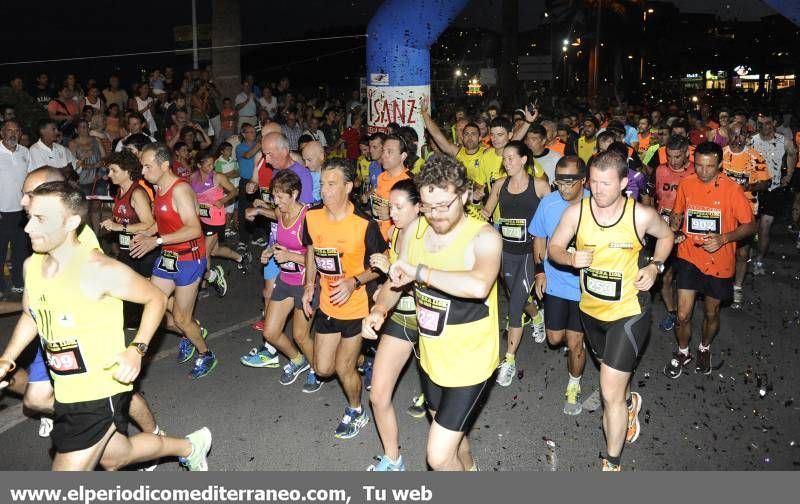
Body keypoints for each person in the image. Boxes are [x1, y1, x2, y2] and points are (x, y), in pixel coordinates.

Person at [0, 181, 212, 471]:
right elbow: (31, 314)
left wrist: (137, 349)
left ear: (72, 222)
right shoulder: (32, 267)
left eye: (40, 220)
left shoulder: (99, 270)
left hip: (99, 391)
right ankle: (190, 446)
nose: (27, 229)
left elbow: (156, 298)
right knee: (117, 456)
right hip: (65, 389)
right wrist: (7, 358)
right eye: (29, 218)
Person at [548, 150, 674, 471]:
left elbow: (667, 236)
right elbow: (554, 248)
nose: (599, 189)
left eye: (606, 183)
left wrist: (656, 267)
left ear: (622, 182)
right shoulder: (577, 213)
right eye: (594, 182)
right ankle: (629, 402)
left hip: (628, 313)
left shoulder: (640, 215)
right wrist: (568, 258)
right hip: (591, 312)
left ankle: (612, 462)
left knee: (608, 391)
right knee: (614, 379)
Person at [382, 153, 501, 471]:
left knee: (436, 455)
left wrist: (421, 271)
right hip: (432, 359)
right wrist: (378, 310)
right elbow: (397, 280)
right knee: (454, 438)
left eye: (443, 205)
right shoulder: (415, 231)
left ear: (463, 195)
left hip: (471, 364)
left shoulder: (484, 236)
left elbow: (478, 285)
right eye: (427, 205)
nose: (434, 214)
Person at [301, 158, 387, 439]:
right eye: (322, 184)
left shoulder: (364, 224)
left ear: (348, 187)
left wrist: (354, 281)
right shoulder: (312, 216)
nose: (324, 190)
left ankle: (356, 410)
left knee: (342, 367)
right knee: (323, 368)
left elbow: (380, 265)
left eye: (331, 184)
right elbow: (311, 249)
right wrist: (309, 285)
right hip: (327, 303)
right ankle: (364, 358)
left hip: (356, 305)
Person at [664, 142, 756, 378]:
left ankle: (704, 347)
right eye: (699, 166)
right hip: (689, 256)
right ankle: (683, 352)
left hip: (719, 261)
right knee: (683, 314)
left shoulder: (732, 190)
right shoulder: (686, 183)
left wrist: (724, 238)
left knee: (711, 313)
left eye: (710, 167)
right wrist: (672, 231)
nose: (704, 172)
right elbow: (677, 213)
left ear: (720, 165)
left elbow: (750, 226)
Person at [129, 143, 216, 379]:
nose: (143, 172)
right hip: (169, 257)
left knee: (180, 317)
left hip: (189, 260)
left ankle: (205, 353)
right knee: (152, 304)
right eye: (142, 167)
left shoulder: (180, 190)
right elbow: (166, 218)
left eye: (147, 166)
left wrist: (156, 241)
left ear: (165, 165)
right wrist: (150, 232)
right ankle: (190, 332)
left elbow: (193, 229)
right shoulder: (158, 188)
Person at [361, 179, 422, 471]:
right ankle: (393, 459)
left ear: (418, 207)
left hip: (430, 323)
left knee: (439, 409)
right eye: (390, 205)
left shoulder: (428, 238)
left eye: (400, 207)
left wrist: (392, 273)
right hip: (401, 318)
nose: (393, 212)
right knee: (378, 393)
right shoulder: (396, 231)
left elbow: (430, 290)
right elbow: (393, 283)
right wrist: (380, 305)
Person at [241, 170, 321, 391]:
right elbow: (278, 242)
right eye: (273, 197)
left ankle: (315, 370)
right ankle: (297, 360)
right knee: (270, 332)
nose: (276, 202)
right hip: (285, 280)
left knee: (300, 335)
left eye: (280, 197)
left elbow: (318, 258)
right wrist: (269, 252)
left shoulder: (308, 217)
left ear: (294, 194)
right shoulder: (279, 213)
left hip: (306, 283)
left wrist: (291, 257)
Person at [480, 141, 550, 385]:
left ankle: (508, 360)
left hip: (532, 252)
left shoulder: (540, 186)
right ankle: (537, 318)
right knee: (517, 298)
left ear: (523, 160)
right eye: (505, 158)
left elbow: (552, 220)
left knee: (514, 306)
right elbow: (486, 213)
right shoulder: (500, 185)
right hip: (506, 252)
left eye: (511, 158)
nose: (506, 162)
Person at [530, 155, 589, 415]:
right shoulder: (548, 203)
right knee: (555, 339)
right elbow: (539, 238)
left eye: (570, 183)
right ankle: (575, 340)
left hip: (584, 287)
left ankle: (573, 384)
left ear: (584, 180)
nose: (564, 189)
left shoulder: (596, 203)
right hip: (554, 282)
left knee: (575, 342)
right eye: (559, 182)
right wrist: (539, 271)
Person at [721, 123, 770, 307]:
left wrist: (747, 187)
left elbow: (765, 183)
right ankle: (720, 284)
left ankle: (737, 288)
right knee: (723, 248)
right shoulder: (721, 154)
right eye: (734, 135)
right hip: (722, 209)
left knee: (742, 253)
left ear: (746, 136)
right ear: (728, 135)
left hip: (747, 209)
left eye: (741, 135)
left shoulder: (755, 157)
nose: (737, 138)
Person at [190, 151, 251, 293]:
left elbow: (234, 191)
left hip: (216, 219)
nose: (212, 167)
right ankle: (241, 258)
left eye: (213, 164)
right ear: (199, 165)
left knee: (204, 252)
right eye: (208, 165)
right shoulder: (193, 177)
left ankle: (204, 285)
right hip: (202, 218)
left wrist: (222, 200)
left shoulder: (218, 177)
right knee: (214, 250)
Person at [654, 135, 695, 332]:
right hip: (665, 232)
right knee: (665, 276)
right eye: (669, 156)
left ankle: (685, 314)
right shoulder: (661, 170)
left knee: (687, 278)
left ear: (687, 153)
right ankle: (672, 312)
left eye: (677, 156)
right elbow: (657, 198)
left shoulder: (696, 171)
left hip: (689, 232)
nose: (672, 161)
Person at [748, 112, 797, 275]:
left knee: (765, 228)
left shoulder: (784, 141)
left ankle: (759, 260)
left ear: (774, 123)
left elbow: (792, 155)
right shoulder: (752, 141)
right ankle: (748, 251)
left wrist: (788, 176)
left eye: (768, 123)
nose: (764, 127)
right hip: (754, 190)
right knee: (751, 227)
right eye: (760, 123)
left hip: (773, 190)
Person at [0, 120, 34, 295]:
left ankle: (18, 282)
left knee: (20, 250)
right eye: (8, 130)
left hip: (20, 212)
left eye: (16, 131)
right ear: (2, 132)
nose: (12, 134)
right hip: (1, 212)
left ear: (20, 133)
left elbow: (30, 179)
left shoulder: (25, 152)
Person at [372, 134, 411, 239]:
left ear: (402, 156)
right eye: (383, 151)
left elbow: (415, 220)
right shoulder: (381, 177)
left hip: (396, 242)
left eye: (389, 152)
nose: (384, 155)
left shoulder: (409, 181)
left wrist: (389, 215)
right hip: (379, 238)